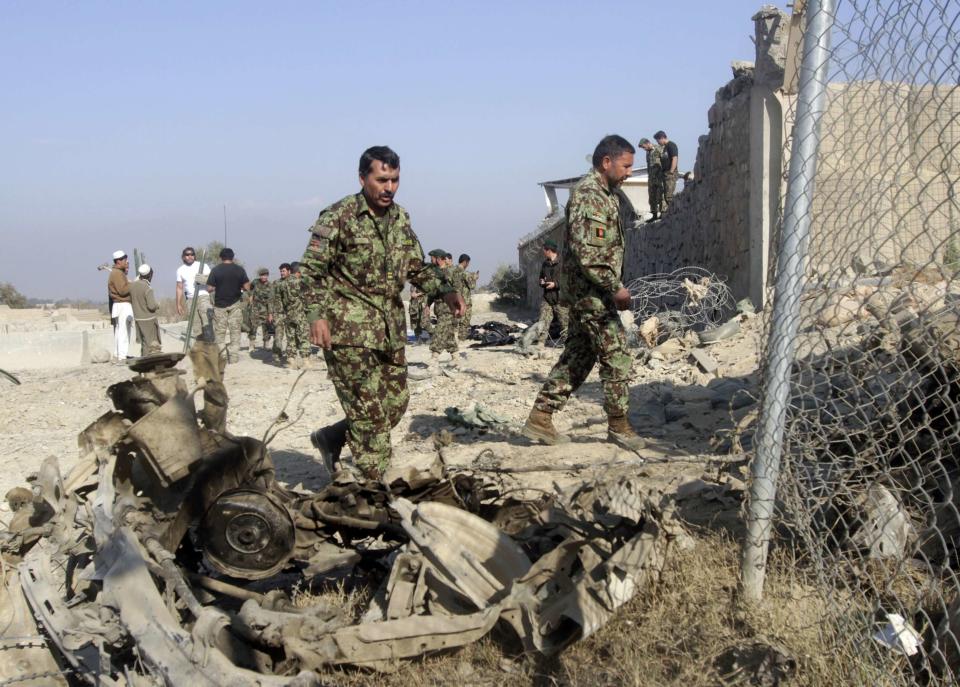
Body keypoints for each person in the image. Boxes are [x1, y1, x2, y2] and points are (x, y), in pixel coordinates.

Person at [300, 145, 463, 480]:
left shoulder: (401, 218)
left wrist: (445, 291)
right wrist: (316, 315)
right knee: (370, 417)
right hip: (348, 332)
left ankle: (331, 437)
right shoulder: (338, 216)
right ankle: (374, 488)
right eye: (382, 179)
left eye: (395, 180)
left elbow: (416, 268)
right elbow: (310, 272)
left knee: (394, 404)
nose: (389, 187)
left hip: (389, 329)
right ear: (363, 178)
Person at [521, 134, 646, 454]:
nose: (630, 172)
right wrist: (614, 287)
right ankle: (619, 424)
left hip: (590, 292)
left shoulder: (606, 194)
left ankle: (541, 416)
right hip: (592, 293)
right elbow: (589, 253)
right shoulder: (589, 195)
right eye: (626, 166)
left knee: (579, 356)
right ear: (607, 162)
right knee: (616, 354)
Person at [206, 247, 251, 364]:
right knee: (235, 332)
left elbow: (209, 288)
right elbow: (247, 287)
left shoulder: (215, 270)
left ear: (221, 257)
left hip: (220, 305)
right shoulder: (240, 270)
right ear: (233, 257)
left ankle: (222, 357)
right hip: (235, 304)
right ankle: (234, 357)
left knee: (220, 333)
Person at [426, 250, 463, 372]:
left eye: (432, 258)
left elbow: (458, 289)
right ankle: (456, 359)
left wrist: (459, 305)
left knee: (440, 331)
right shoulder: (435, 273)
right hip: (439, 308)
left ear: (437, 258)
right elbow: (432, 292)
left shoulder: (452, 271)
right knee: (448, 334)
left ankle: (434, 359)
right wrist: (427, 305)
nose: (430, 261)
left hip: (449, 307)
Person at [533, 239, 569, 350]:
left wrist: (555, 284)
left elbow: (568, 280)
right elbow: (541, 277)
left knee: (565, 322)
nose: (543, 252)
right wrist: (541, 282)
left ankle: (568, 344)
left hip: (560, 298)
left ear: (549, 250)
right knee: (543, 321)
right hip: (547, 297)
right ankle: (540, 343)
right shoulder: (545, 264)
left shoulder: (563, 263)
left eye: (544, 250)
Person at [175, 246, 214, 342]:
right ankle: (201, 346)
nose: (190, 256)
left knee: (206, 318)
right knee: (196, 325)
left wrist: (203, 279)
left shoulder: (203, 266)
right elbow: (179, 288)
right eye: (187, 255)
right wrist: (178, 304)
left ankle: (210, 343)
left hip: (203, 295)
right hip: (190, 299)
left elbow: (212, 281)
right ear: (183, 257)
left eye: (192, 254)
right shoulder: (180, 270)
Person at [277, 261, 312, 368]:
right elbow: (307, 299)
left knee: (290, 338)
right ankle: (306, 361)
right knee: (303, 337)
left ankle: (291, 360)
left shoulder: (281, 284)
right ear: (299, 271)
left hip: (288, 315)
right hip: (300, 314)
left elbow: (279, 301)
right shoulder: (300, 283)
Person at [129, 264, 162, 355]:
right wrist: (157, 305)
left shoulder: (132, 286)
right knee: (151, 344)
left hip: (138, 319)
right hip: (148, 320)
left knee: (144, 343)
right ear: (149, 275)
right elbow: (151, 306)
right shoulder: (147, 288)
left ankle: (144, 360)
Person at [107, 250, 134, 360]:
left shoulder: (117, 272)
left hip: (120, 305)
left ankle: (119, 354)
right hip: (122, 304)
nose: (126, 262)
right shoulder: (117, 273)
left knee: (120, 331)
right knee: (124, 331)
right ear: (118, 261)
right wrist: (133, 285)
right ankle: (122, 356)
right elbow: (123, 291)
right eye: (124, 260)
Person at [249, 267, 275, 352]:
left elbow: (271, 300)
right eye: (262, 275)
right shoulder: (255, 282)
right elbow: (251, 290)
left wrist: (270, 313)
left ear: (267, 276)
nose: (263, 277)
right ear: (259, 276)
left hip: (265, 309)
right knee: (253, 326)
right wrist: (250, 299)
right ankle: (252, 345)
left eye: (265, 275)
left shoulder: (270, 285)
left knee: (266, 327)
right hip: (255, 308)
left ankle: (266, 345)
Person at [639, 137, 664, 221]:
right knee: (652, 196)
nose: (644, 149)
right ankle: (654, 214)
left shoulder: (658, 148)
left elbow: (664, 160)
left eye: (644, 147)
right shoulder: (648, 153)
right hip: (651, 178)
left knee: (661, 195)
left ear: (648, 143)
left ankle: (663, 213)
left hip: (659, 176)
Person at [270, 263, 291, 360]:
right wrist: (270, 313)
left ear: (289, 271)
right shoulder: (276, 283)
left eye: (283, 271)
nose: (282, 273)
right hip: (278, 313)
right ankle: (276, 354)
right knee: (278, 334)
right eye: (281, 271)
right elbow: (271, 299)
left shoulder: (293, 282)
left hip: (291, 313)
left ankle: (290, 354)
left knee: (291, 334)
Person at [456, 253, 479, 341]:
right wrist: (475, 278)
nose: (468, 265)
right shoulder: (464, 273)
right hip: (464, 300)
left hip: (454, 298)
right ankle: (461, 338)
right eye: (468, 263)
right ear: (465, 262)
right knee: (464, 321)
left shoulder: (453, 271)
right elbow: (472, 286)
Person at [654, 131, 679, 210]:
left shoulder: (671, 145)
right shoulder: (665, 147)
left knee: (669, 196)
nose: (657, 143)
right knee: (666, 196)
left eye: (658, 140)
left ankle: (675, 212)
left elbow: (674, 158)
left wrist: (671, 171)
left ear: (662, 138)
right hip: (666, 173)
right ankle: (672, 212)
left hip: (670, 173)